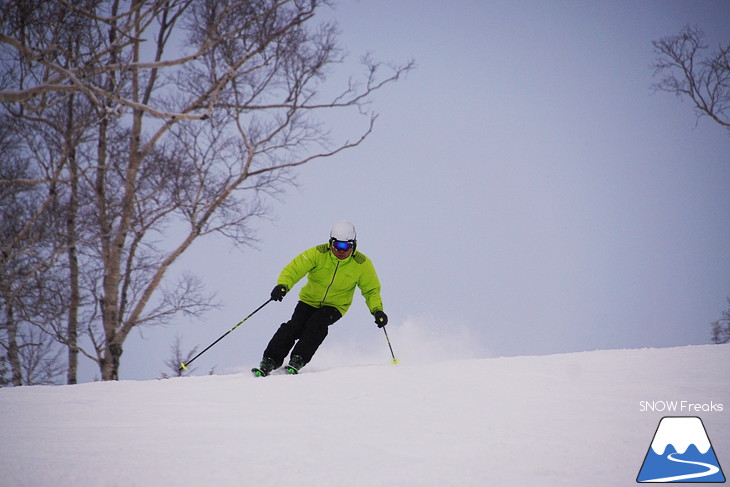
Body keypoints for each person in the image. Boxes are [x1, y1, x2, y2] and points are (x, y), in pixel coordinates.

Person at [252, 220, 388, 376]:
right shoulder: (318, 253)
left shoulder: (362, 264)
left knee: (317, 323)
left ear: (353, 245)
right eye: (337, 245)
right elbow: (294, 269)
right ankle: (270, 360)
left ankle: (298, 359)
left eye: (346, 246)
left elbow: (371, 290)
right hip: (308, 300)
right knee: (294, 326)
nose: (341, 251)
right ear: (330, 243)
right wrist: (283, 285)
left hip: (335, 306)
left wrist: (377, 310)